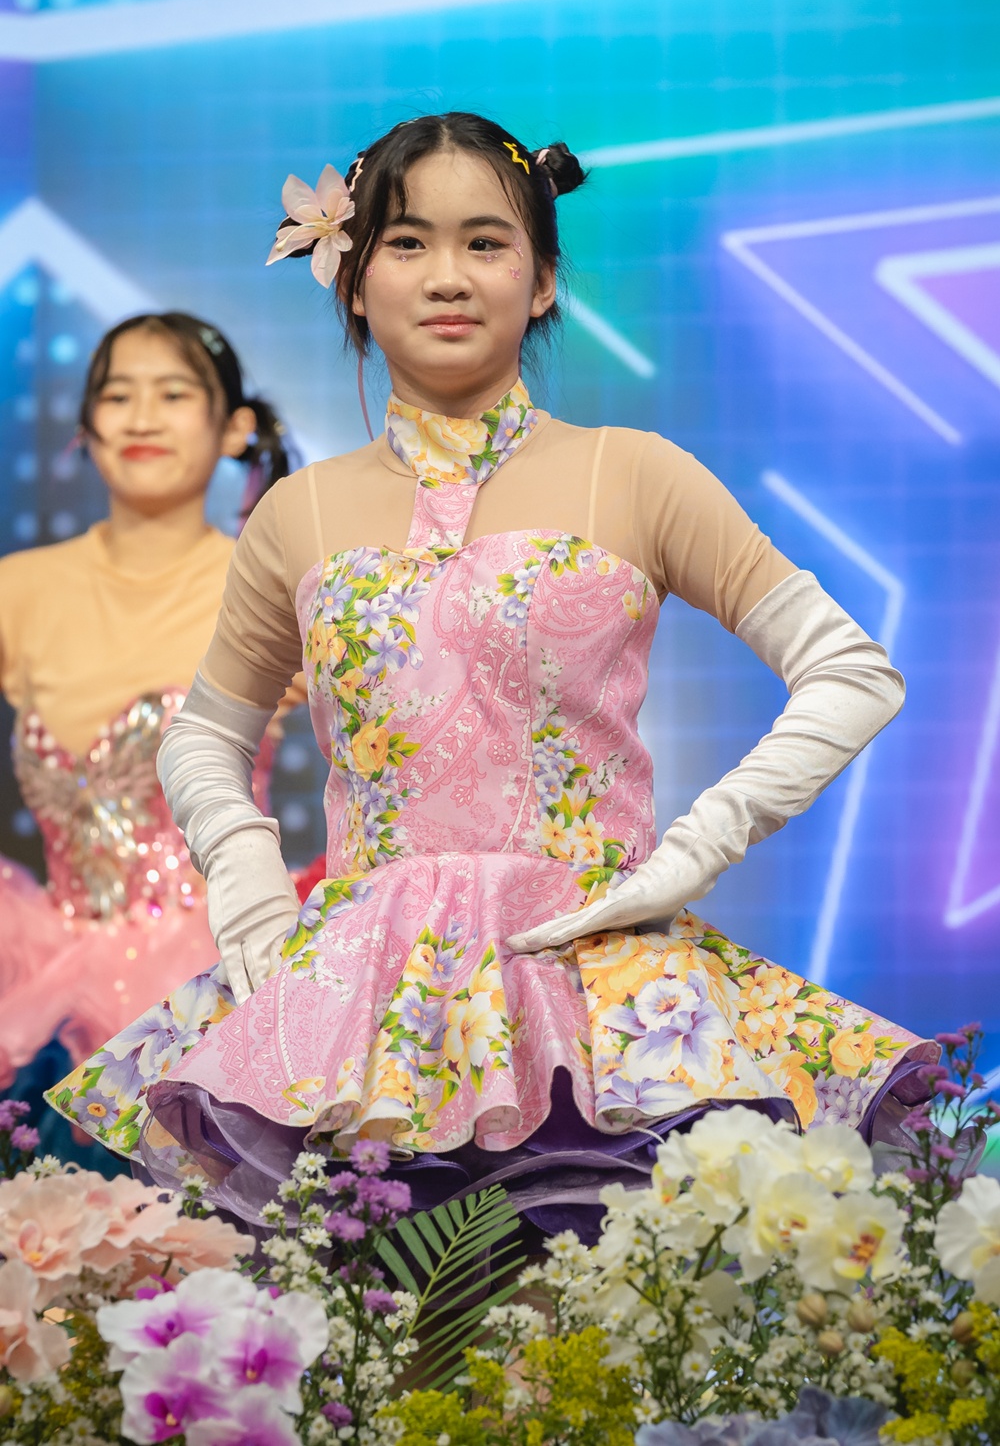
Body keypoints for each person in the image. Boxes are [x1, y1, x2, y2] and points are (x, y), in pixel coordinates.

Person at [47, 114, 934, 1234]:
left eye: (486, 242)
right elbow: (204, 734)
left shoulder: (635, 474)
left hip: (595, 989)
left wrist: (693, 852)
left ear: (543, 280)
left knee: (597, 1312)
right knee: (377, 1319)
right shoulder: (296, 514)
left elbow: (850, 671)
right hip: (363, 1008)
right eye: (406, 243)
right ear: (351, 279)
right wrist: (247, 876)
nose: (448, 276)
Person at [0, 312, 293, 1106]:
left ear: (234, 428)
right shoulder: (18, 590)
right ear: (86, 427)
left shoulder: (270, 586)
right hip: (38, 976)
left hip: (211, 966)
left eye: (172, 393)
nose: (141, 418)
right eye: (117, 395)